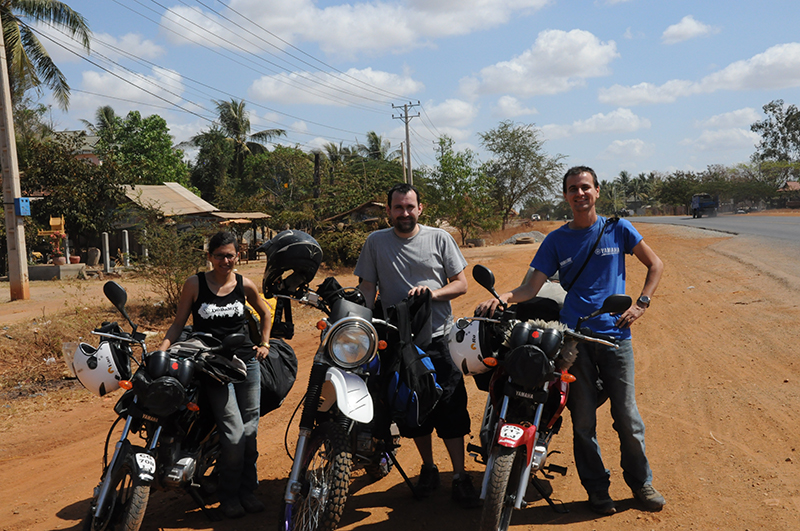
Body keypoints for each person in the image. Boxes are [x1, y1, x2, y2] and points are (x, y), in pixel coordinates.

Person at [477, 166, 666, 515]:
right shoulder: (556, 240)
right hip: (574, 343)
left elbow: (655, 264)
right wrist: (502, 297)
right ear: (565, 195)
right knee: (583, 423)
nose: (580, 194)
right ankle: (597, 491)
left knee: (627, 418)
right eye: (573, 189)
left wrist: (641, 304)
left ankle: (641, 484)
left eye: (585, 187)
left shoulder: (618, 229)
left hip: (615, 340)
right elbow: (530, 288)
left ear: (597, 190)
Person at [354, 183, 481, 509]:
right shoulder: (375, 242)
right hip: (398, 342)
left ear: (420, 209)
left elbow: (461, 284)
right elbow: (367, 289)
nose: (405, 213)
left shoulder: (439, 238)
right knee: (413, 409)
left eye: (410, 207)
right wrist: (359, 323)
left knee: (451, 408)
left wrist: (431, 293)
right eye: (398, 208)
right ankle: (428, 468)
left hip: (440, 339)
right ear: (389, 211)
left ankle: (459, 476)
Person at [159, 231, 272, 519]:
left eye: (230, 255)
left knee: (250, 429)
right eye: (220, 255)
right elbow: (178, 323)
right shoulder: (194, 284)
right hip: (211, 365)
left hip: (246, 362)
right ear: (209, 256)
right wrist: (162, 350)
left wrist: (265, 343)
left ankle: (248, 490)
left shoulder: (244, 284)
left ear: (238, 255)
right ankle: (229, 495)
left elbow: (264, 311)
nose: (226, 260)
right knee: (233, 433)